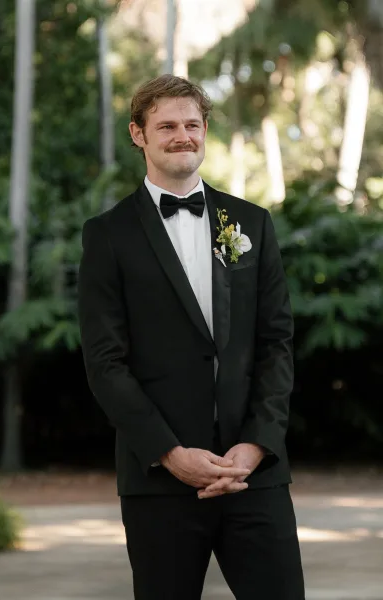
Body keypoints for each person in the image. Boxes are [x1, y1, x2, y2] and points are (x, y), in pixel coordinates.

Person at [78, 74, 305, 600]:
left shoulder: (252, 222)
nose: (182, 135)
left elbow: (277, 343)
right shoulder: (108, 235)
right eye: (167, 126)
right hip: (160, 482)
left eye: (192, 124)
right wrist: (170, 453)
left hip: (255, 476)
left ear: (205, 131)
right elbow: (105, 362)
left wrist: (255, 444)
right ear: (139, 134)